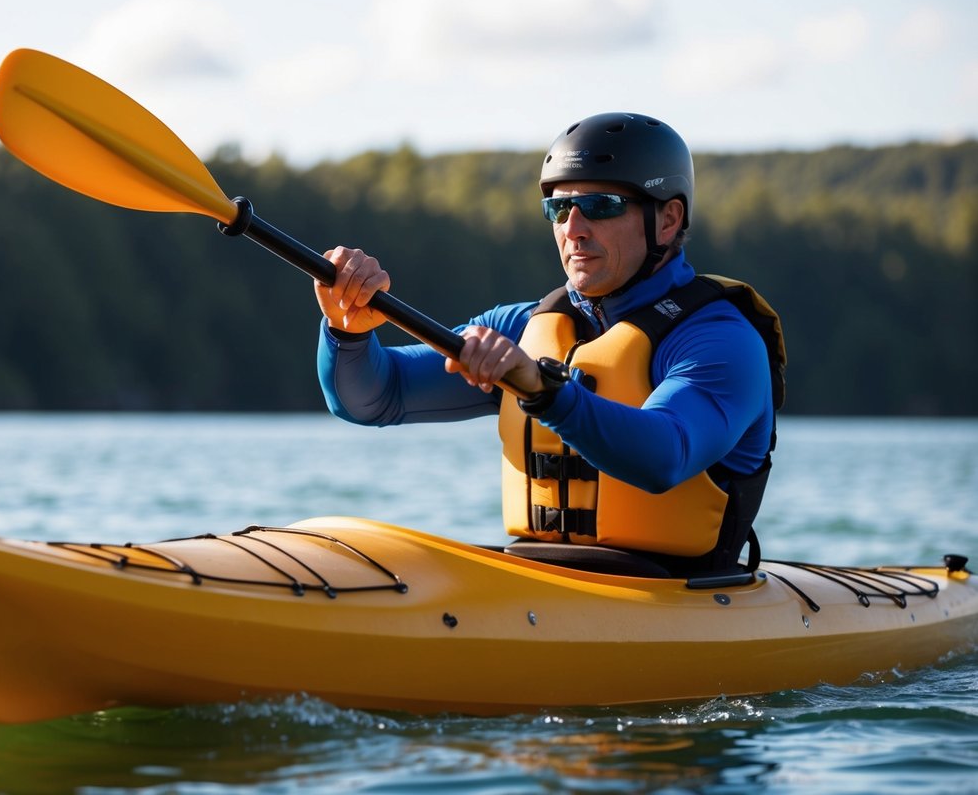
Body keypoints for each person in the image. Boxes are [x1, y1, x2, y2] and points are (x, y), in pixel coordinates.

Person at [314, 113, 785, 578]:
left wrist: (544, 390)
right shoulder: (522, 328)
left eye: (601, 206)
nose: (573, 229)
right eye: (559, 209)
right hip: (539, 578)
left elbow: (666, 454)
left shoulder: (721, 341)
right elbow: (375, 397)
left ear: (668, 220)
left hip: (674, 590)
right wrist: (347, 329)